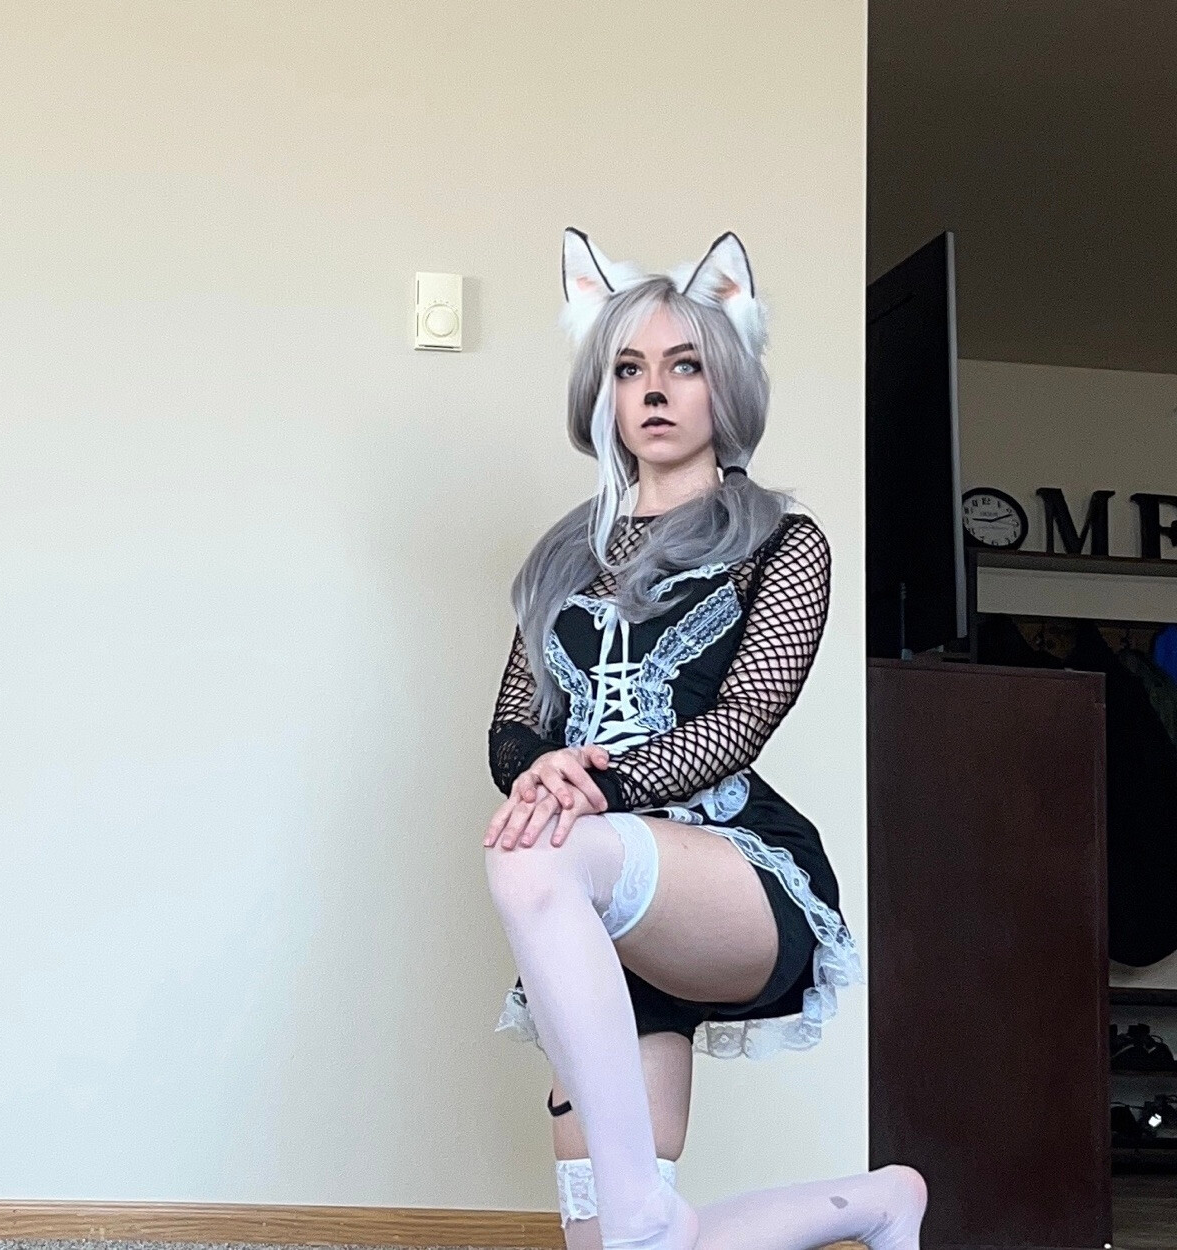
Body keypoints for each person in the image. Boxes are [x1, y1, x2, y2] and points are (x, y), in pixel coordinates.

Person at [483, 227, 928, 1250]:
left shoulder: (781, 541)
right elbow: (514, 720)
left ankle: (644, 1204)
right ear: (601, 393)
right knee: (618, 1241)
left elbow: (739, 722)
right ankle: (876, 1201)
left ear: (725, 382)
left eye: (683, 365)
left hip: (730, 870)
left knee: (530, 849)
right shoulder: (563, 556)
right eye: (626, 368)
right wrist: (538, 766)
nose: (653, 389)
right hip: (591, 899)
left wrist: (589, 789)